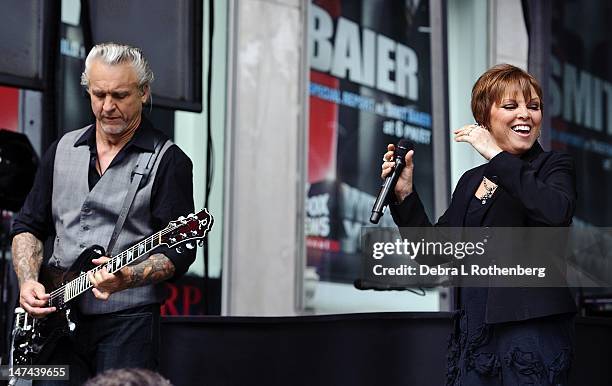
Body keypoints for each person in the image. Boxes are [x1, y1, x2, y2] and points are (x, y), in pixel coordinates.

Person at [11, 42, 195, 384]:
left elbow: (180, 250)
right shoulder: (62, 149)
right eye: (99, 94)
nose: (108, 106)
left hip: (128, 324)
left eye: (121, 95)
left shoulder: (169, 161)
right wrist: (27, 282)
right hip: (54, 320)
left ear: (143, 92)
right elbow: (28, 225)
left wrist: (126, 277)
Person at [382, 64, 576, 385]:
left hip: (530, 335)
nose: (525, 114)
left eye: (534, 106)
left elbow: (555, 212)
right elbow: (433, 252)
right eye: (511, 106)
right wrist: (404, 196)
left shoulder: (554, 166)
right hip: (475, 338)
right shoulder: (472, 180)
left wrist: (497, 155)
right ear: (485, 118)